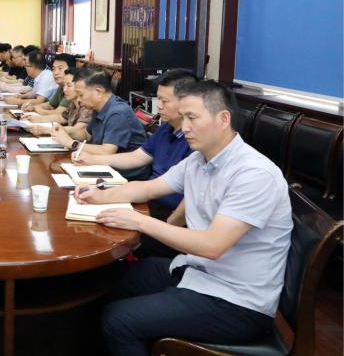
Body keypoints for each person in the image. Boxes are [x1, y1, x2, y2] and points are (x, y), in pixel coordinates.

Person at [79, 80, 292, 356]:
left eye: (192, 117)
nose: (185, 127)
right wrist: (98, 195)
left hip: (237, 301)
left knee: (119, 321)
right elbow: (149, 188)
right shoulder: (198, 160)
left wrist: (140, 221)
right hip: (198, 272)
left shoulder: (253, 174)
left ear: (223, 119)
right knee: (114, 279)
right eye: (184, 117)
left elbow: (212, 246)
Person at [73, 69, 197, 220]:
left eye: (164, 101)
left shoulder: (196, 141)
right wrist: (93, 160)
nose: (159, 106)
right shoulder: (166, 128)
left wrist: (164, 226)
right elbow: (136, 157)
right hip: (148, 199)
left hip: (167, 211)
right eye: (158, 99)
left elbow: (189, 203)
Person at [52, 68, 148, 177]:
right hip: (105, 168)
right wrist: (66, 132)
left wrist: (71, 143)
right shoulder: (98, 107)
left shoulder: (118, 113)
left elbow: (106, 151)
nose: (78, 100)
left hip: (127, 177)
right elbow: (87, 135)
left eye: (80, 95)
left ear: (98, 92)